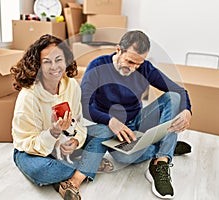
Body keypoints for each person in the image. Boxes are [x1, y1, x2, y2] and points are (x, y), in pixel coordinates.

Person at [80, 30, 192, 199]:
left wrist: (187, 110)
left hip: (138, 121)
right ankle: (164, 145)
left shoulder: (146, 68)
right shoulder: (97, 67)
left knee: (174, 98)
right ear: (119, 50)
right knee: (123, 157)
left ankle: (161, 161)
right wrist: (110, 121)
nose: (133, 68)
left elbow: (179, 91)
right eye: (130, 61)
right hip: (111, 128)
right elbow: (84, 105)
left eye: (138, 64)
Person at [10, 34, 112, 200]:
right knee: (44, 171)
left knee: (104, 131)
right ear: (37, 65)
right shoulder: (28, 96)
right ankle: (88, 164)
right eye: (47, 61)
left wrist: (75, 141)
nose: (54, 67)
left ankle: (74, 180)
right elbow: (25, 142)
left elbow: (78, 124)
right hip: (32, 151)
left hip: (65, 145)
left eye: (59, 60)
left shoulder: (71, 85)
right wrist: (53, 133)